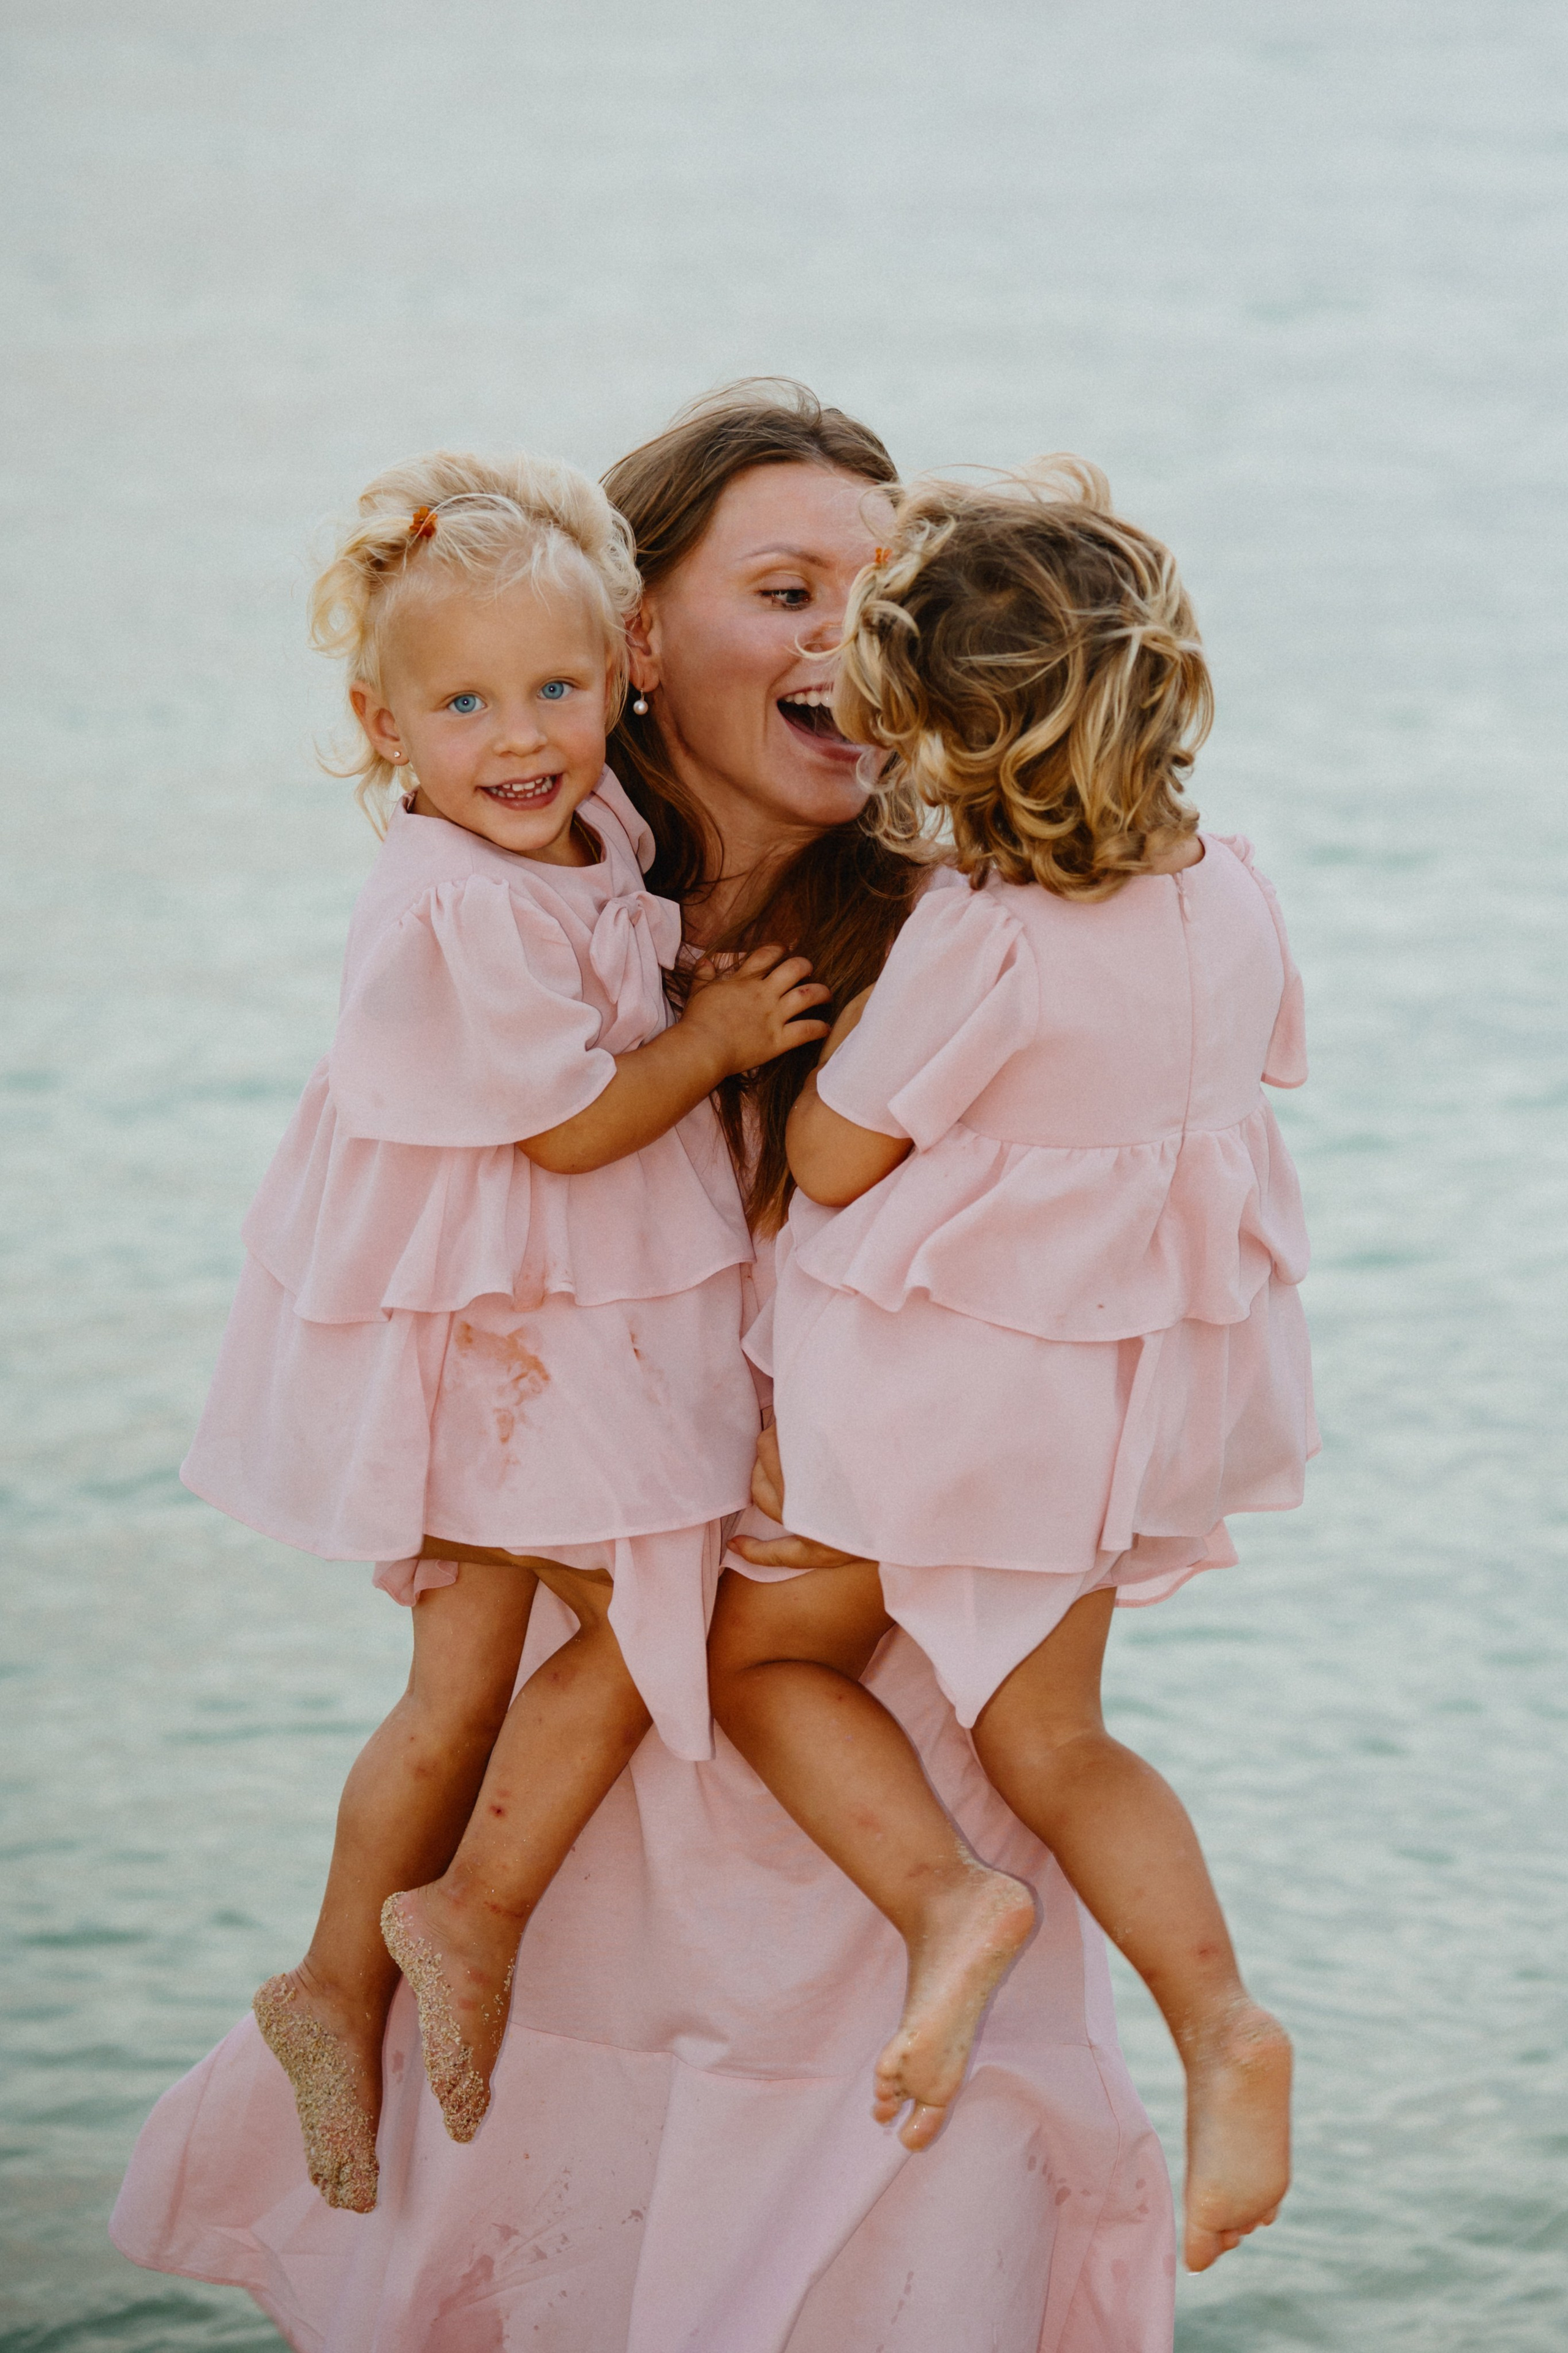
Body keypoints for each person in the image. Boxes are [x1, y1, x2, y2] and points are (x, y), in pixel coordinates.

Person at [113, 386, 1180, 2352]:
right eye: (783, 588)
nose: (841, 643)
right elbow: (428, 1326)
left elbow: (1103, 1338)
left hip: (888, 1834)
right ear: (637, 637)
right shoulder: (520, 922)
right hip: (595, 1827)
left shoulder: (977, 951)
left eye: (876, 596)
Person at [179, 447, 829, 2208]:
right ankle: (467, 1914)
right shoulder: (454, 897)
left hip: (524, 1314)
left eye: (552, 686)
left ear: (623, 666)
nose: (519, 735)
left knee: (459, 1677)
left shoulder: (579, 819)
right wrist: (707, 1043)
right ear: (383, 726)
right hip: (500, 1330)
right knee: (661, 1599)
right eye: (463, 703)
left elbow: (606, 956)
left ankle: (336, 1976)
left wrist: (667, 985)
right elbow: (562, 1126)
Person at [709, 459, 1313, 2274]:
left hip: (939, 1398)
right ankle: (1224, 2025)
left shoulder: (980, 932)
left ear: (939, 743)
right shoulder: (1234, 896)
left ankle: (946, 1899)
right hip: (1126, 1409)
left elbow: (833, 1162)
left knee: (769, 1653)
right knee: (1053, 1732)